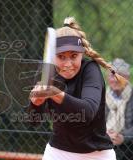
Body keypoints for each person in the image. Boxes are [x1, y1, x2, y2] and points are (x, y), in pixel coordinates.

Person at [29, 17, 117, 160]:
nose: (68, 64)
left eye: (74, 56)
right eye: (61, 56)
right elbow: (34, 121)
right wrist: (36, 103)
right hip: (58, 152)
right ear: (52, 57)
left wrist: (55, 93)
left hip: (97, 154)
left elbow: (87, 112)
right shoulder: (45, 71)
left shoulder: (90, 69)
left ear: (82, 53)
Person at [106, 58, 133, 160]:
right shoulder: (101, 96)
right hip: (104, 147)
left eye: (119, 75)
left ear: (127, 77)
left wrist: (123, 137)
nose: (115, 79)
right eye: (112, 75)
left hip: (129, 151)